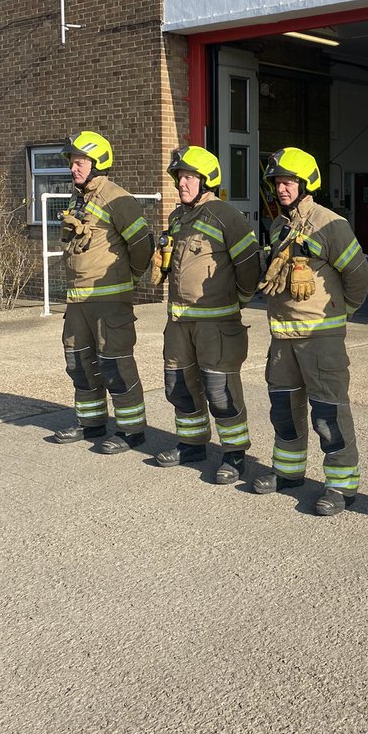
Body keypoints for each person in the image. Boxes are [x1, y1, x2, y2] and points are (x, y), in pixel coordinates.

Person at [253, 147, 368, 516]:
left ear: (307, 184)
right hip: (282, 339)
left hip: (320, 339)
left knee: (328, 414)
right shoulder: (279, 225)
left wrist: (340, 313)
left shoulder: (329, 224)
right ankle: (288, 473)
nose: (282, 188)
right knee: (284, 410)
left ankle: (341, 486)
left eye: (289, 181)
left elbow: (360, 275)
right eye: (277, 182)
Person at [154, 145, 261, 483]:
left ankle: (235, 454)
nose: (181, 183)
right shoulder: (177, 218)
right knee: (179, 387)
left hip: (216, 324)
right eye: (179, 177)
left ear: (207, 180)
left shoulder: (226, 216)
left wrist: (238, 300)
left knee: (220, 392)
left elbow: (250, 267)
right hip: (178, 323)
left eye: (189, 177)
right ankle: (191, 445)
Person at [54, 130, 154, 454]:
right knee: (78, 362)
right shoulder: (79, 198)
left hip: (109, 301)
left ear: (98, 163)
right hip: (78, 300)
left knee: (115, 366)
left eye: (80, 162)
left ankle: (131, 430)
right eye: (72, 162)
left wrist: (131, 278)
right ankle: (91, 423)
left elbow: (142, 245)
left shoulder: (116, 198)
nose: (73, 168)